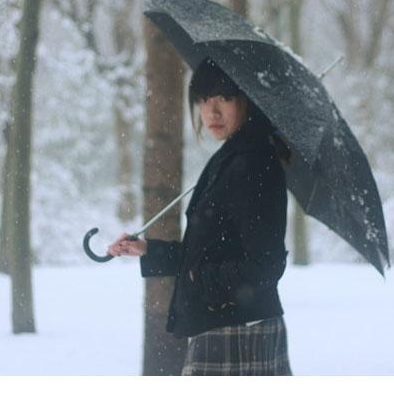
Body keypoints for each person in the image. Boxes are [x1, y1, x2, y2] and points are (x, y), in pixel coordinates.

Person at [108, 58, 292, 376]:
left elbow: (266, 264)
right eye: (204, 100)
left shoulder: (253, 163)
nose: (212, 112)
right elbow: (210, 252)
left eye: (224, 98)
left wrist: (200, 281)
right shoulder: (232, 158)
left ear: (246, 99)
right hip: (225, 326)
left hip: (237, 332)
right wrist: (149, 250)